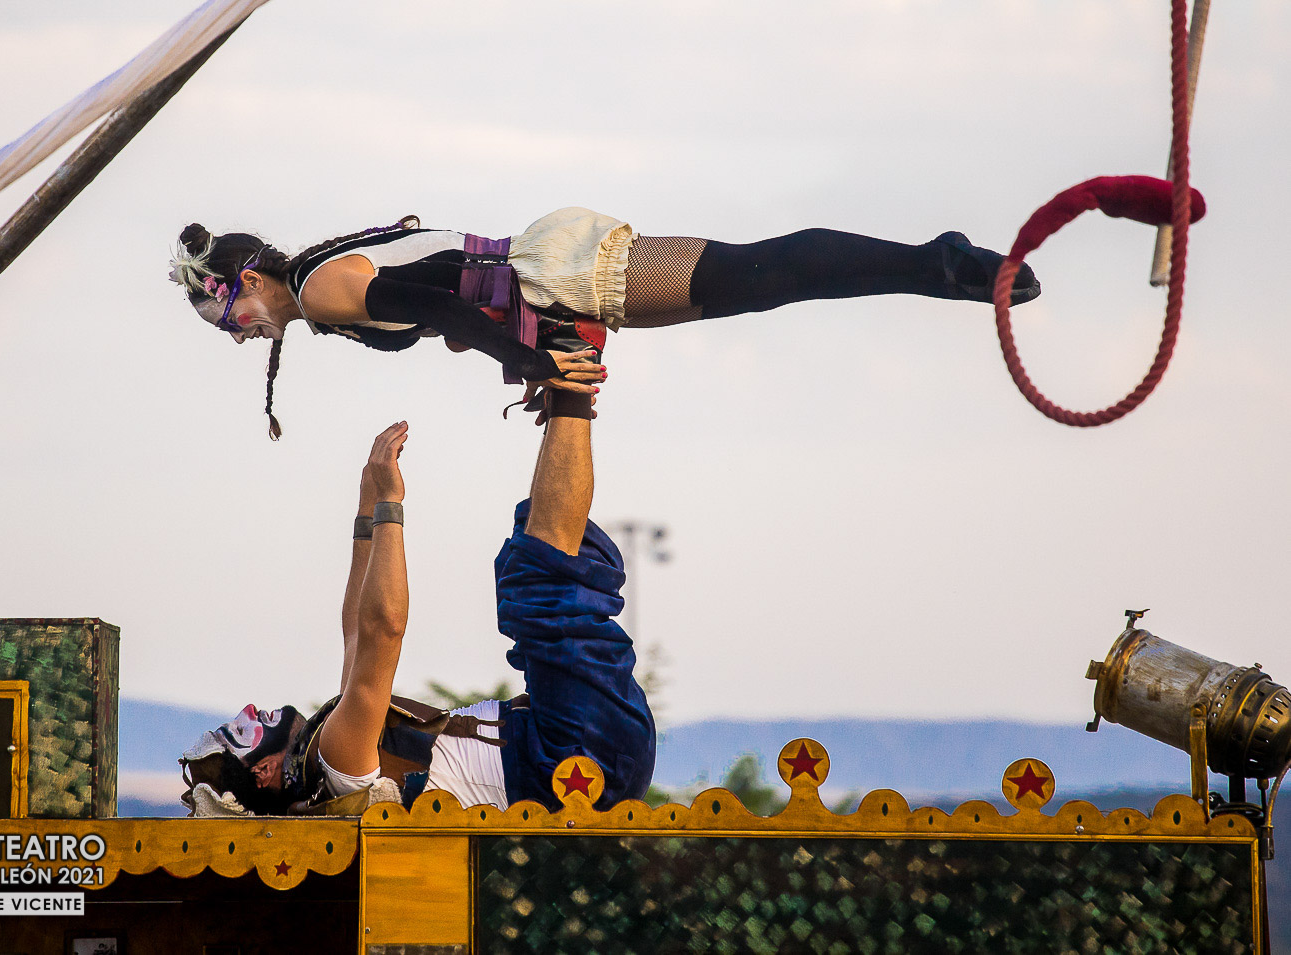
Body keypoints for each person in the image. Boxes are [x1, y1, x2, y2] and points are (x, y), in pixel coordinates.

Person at [166, 208, 1041, 437]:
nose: (239, 333)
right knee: (758, 281)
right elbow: (442, 294)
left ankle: (937, 262)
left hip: (555, 275)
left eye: (229, 314)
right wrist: (532, 357)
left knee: (758, 274)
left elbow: (438, 304)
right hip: (546, 289)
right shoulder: (323, 282)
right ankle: (933, 267)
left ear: (249, 278)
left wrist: (536, 364)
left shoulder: (320, 289)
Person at [192, 390, 654, 814]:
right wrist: (391, 505)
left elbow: (357, 632)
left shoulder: (330, 749)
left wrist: (367, 510)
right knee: (537, 582)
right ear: (264, 771)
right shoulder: (337, 765)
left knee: (535, 544)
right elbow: (384, 629)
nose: (249, 712)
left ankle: (565, 393)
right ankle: (571, 371)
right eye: (240, 733)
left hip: (563, 742)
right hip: (572, 760)